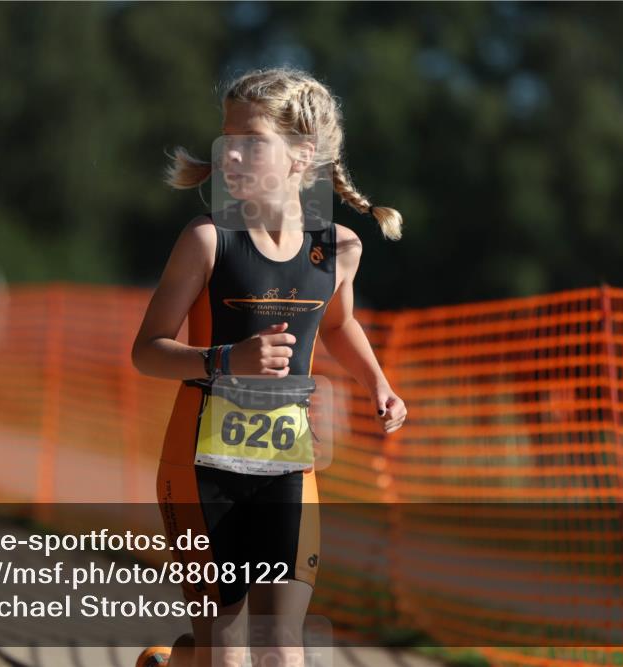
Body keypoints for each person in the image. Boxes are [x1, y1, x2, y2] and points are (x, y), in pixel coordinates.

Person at [132, 66, 407, 667]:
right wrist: (227, 361)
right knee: (226, 655)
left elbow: (336, 324)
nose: (230, 154)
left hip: (287, 470)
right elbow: (146, 350)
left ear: (299, 157)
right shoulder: (206, 241)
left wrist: (378, 384)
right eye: (226, 138)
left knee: (282, 650)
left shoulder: (338, 249)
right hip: (203, 472)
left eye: (250, 142)